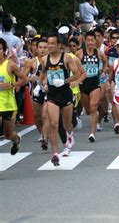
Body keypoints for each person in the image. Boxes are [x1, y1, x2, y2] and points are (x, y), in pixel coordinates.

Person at [40, 33, 81, 166]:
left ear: (59, 45)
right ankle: (55, 153)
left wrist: (64, 81)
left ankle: (69, 134)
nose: (50, 46)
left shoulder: (67, 58)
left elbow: (77, 75)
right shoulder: (44, 59)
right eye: (48, 44)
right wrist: (43, 84)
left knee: (67, 124)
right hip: (52, 96)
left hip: (65, 94)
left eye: (52, 44)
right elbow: (43, 75)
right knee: (53, 124)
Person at [75, 31, 108, 142]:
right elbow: (73, 66)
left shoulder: (99, 53)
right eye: (88, 40)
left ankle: (92, 133)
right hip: (83, 84)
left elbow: (105, 61)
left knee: (93, 107)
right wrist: (78, 74)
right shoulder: (79, 54)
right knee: (88, 110)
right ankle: (95, 114)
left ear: (95, 41)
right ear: (85, 41)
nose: (90, 42)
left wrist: (103, 70)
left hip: (95, 83)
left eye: (92, 40)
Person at [0, 38, 27, 155]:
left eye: (0, 49)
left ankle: (16, 140)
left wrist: (11, 85)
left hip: (8, 105)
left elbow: (24, 79)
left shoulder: (10, 65)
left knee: (8, 135)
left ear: (4, 50)